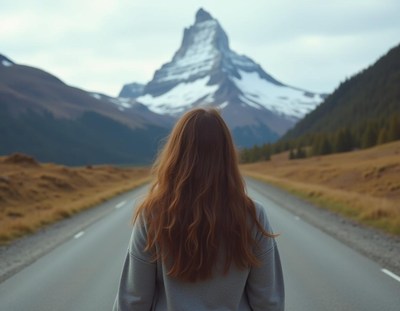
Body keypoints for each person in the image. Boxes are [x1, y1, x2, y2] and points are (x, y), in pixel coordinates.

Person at [113, 108, 285, 311]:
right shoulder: (253, 215)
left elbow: (133, 301)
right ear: (227, 156)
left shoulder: (152, 215)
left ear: (175, 154)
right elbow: (268, 302)